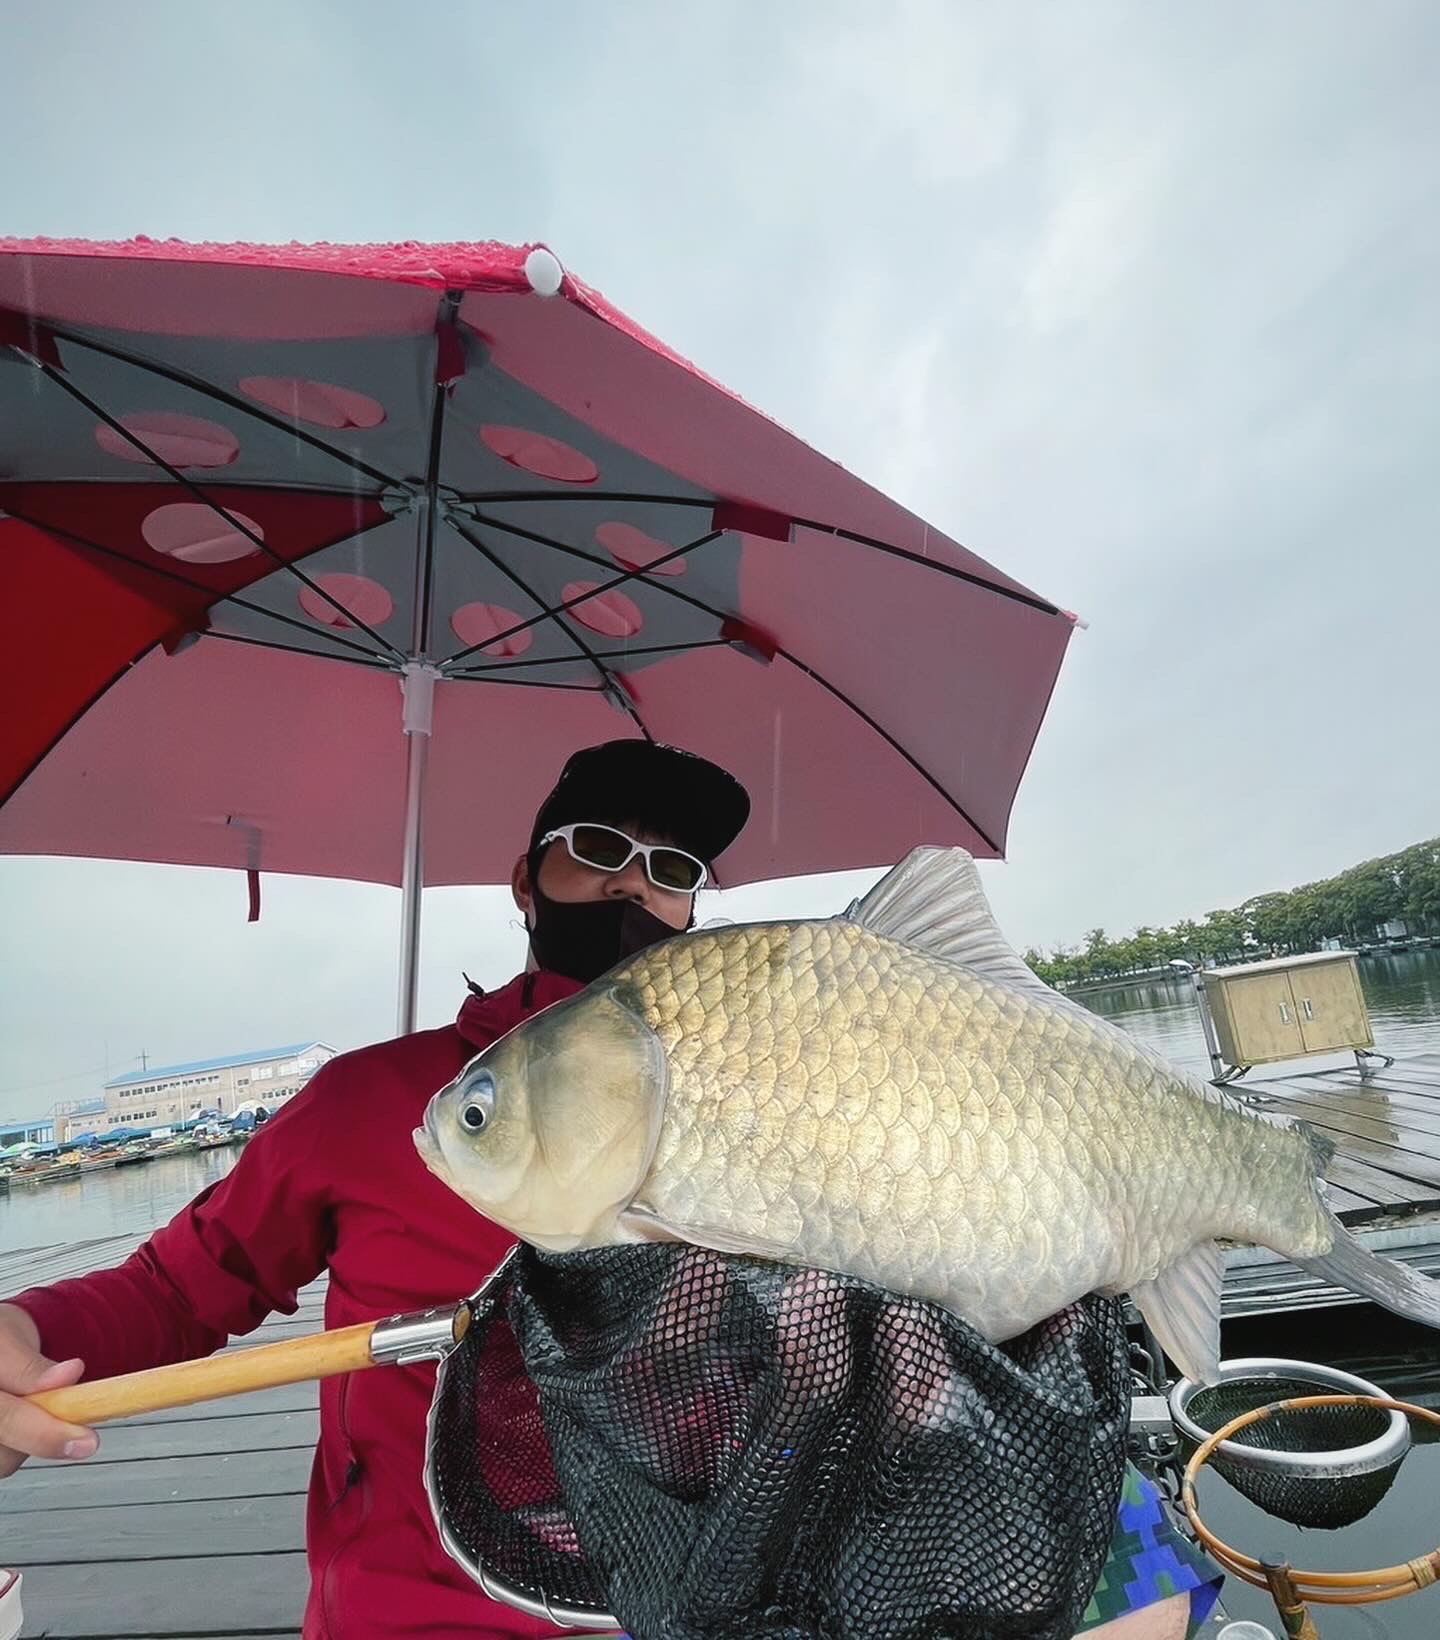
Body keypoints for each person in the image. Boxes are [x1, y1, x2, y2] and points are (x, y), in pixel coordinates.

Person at [0, 739, 1213, 1640]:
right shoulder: (375, 1103)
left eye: (672, 866)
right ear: (523, 882)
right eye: (597, 850)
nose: (634, 884)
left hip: (735, 1593)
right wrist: (30, 1331)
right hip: (428, 1611)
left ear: (695, 907)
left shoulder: (806, 1082)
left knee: (1140, 1584)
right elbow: (174, 1285)